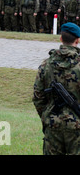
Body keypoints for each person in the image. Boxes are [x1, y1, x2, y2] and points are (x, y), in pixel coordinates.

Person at [32, 22, 80, 155]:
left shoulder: (46, 65)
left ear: (61, 38)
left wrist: (48, 116)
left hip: (52, 125)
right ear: (78, 40)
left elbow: (37, 98)